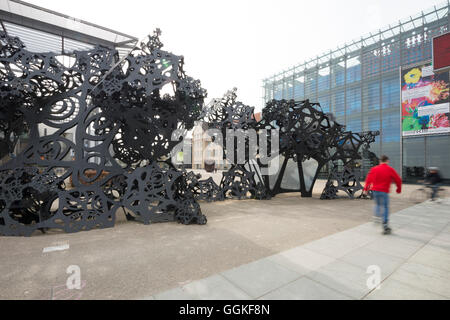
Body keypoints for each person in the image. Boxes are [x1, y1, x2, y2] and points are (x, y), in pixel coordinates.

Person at [363, 155, 402, 235]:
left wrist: (366, 189)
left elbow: (369, 179)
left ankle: (376, 216)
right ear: (387, 161)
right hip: (384, 191)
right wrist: (398, 189)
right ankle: (384, 223)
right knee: (385, 207)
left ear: (380, 161)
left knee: (377, 204)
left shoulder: (374, 169)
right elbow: (398, 179)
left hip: (375, 191)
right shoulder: (390, 169)